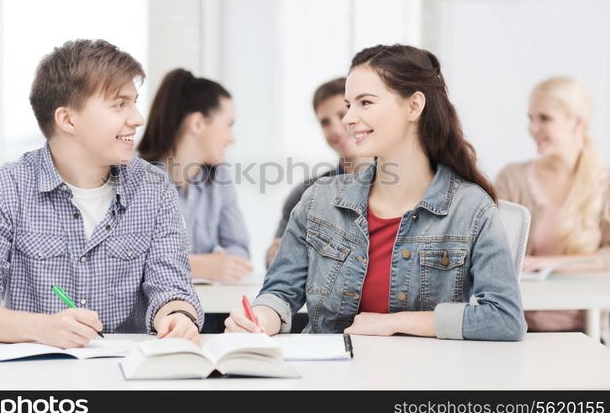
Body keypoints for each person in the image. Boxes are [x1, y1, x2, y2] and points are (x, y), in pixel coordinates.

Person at [225, 44, 526, 341]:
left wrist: (396, 322)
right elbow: (279, 293)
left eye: (365, 103)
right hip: (331, 377)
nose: (348, 118)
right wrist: (260, 318)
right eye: (349, 104)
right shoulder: (320, 200)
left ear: (414, 106)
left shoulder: (470, 209)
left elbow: (504, 318)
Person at [0, 39, 203, 348]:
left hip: (127, 380)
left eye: (134, 102)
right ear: (67, 119)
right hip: (38, 383)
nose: (137, 118)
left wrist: (178, 316)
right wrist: (41, 328)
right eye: (119, 104)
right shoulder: (7, 188)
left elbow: (172, 287)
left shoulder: (154, 188)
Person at [137, 69, 251, 333]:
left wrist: (220, 265)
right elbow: (125, 263)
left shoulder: (219, 179)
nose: (231, 137)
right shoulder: (138, 180)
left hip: (204, 312)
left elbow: (239, 249)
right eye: (228, 125)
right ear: (198, 123)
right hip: (153, 320)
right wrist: (198, 265)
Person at [495, 76, 610, 333]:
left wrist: (550, 263)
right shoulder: (512, 178)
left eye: (544, 118)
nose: (534, 128)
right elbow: (490, 246)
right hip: (521, 326)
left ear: (577, 123)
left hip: (589, 330)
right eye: (531, 118)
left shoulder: (604, 185)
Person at [265, 77, 374, 266]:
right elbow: (275, 264)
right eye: (325, 122)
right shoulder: (306, 193)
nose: (336, 130)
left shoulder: (399, 186)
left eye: (341, 115)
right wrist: (276, 255)